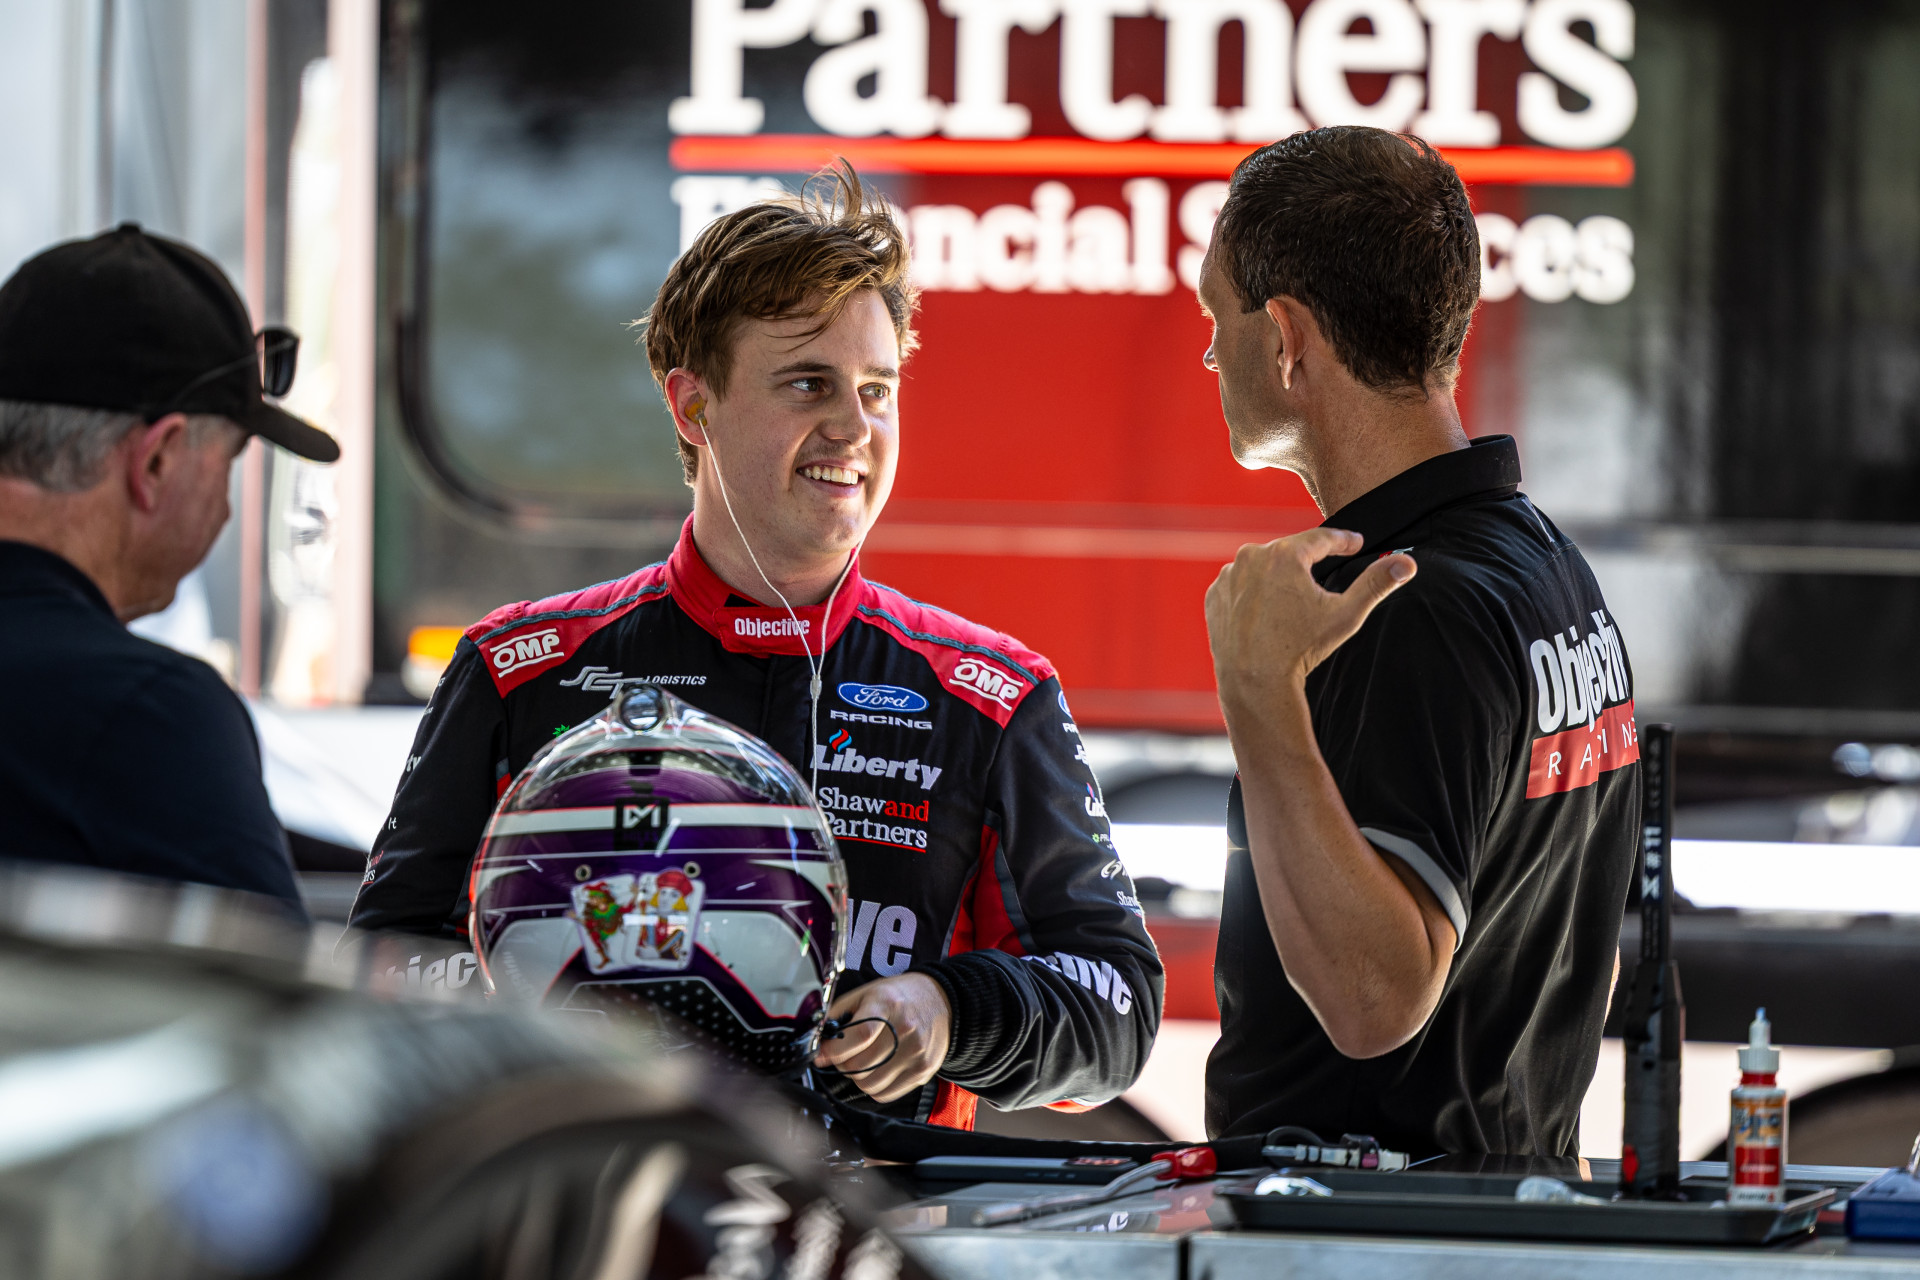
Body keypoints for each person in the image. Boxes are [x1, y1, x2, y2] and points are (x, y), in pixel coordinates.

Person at [350, 166, 1162, 1128]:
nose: (854, 427)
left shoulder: (988, 695)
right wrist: (534, 987)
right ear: (693, 406)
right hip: (592, 1192)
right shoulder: (517, 669)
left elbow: (1119, 1006)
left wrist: (949, 1010)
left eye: (877, 389)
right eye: (809, 383)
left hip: (871, 1207)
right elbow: (377, 973)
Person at [1195, 129, 1640, 1155]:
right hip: (1497, 1200)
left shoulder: (1405, 603)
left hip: (1362, 1220)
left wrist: (1258, 688)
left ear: (1286, 338)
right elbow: (1578, 948)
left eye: (1217, 316)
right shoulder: (1546, 565)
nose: (1211, 353)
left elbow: (1374, 1001)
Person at [0, 224, 340, 911]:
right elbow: (262, 979)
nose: (225, 510)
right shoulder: (146, 713)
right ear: (156, 460)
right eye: (229, 465)